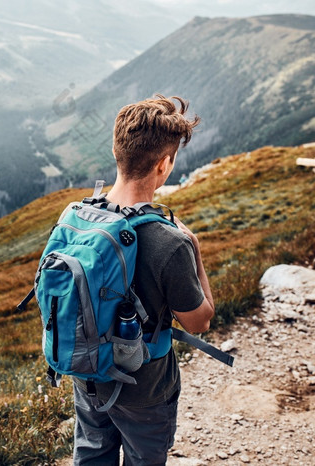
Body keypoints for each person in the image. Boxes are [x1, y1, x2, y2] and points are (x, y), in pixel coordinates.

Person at [72, 95, 215, 465]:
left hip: (86, 373)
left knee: (91, 457)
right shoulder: (170, 242)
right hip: (146, 389)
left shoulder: (77, 218)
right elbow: (199, 321)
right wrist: (194, 247)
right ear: (164, 165)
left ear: (118, 151)